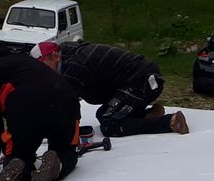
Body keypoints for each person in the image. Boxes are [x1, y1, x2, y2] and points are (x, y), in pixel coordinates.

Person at [0, 43, 82, 181]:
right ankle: (57, 163)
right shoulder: (22, 59)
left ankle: (20, 169)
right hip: (66, 98)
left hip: (26, 107)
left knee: (19, 153)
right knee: (65, 150)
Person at [35, 40, 189, 138]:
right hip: (140, 79)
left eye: (41, 66)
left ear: (54, 56)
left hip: (143, 82)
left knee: (110, 125)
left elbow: (65, 102)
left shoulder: (76, 65)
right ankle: (147, 115)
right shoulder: (71, 54)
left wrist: (46, 128)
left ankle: (170, 122)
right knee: (103, 113)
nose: (41, 72)